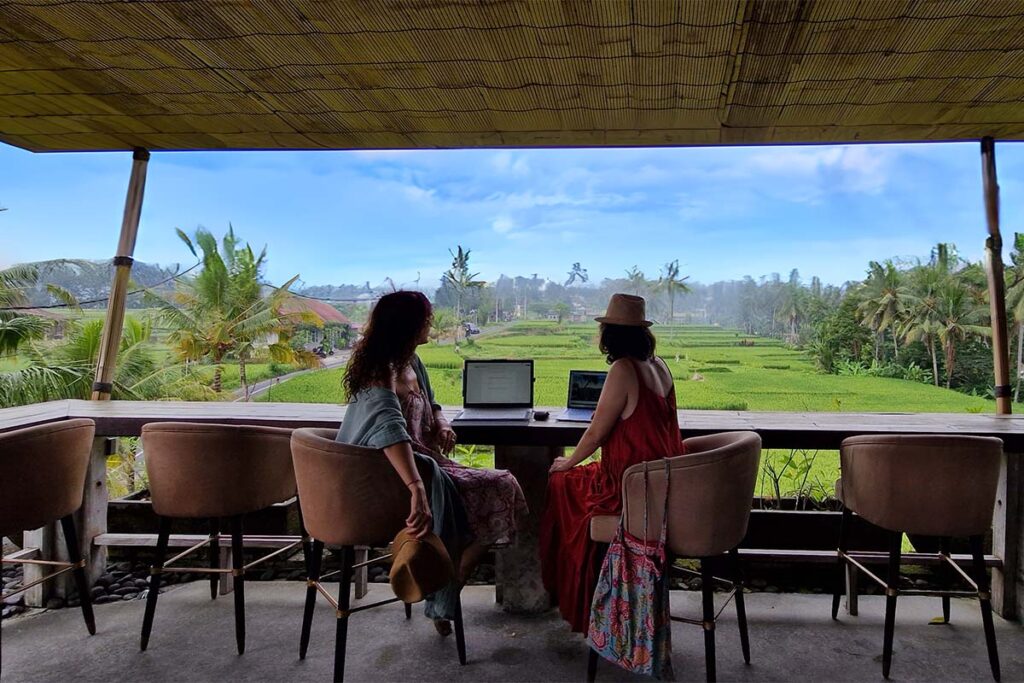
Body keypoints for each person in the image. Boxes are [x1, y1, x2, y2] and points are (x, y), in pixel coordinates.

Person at [337, 290, 527, 634]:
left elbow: (433, 402)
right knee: (499, 487)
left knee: (504, 487)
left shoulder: (410, 362)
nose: (431, 323)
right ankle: (443, 585)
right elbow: (390, 431)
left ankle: (445, 581)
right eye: (425, 319)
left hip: (426, 463)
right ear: (408, 326)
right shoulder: (382, 375)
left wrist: (441, 422)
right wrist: (417, 489)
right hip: (396, 478)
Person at [539, 293, 685, 635]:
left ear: (609, 335)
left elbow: (595, 434)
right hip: (661, 481)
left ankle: (584, 597)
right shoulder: (660, 365)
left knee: (561, 484)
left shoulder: (623, 369)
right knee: (571, 482)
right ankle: (600, 591)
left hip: (629, 487)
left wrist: (567, 462)